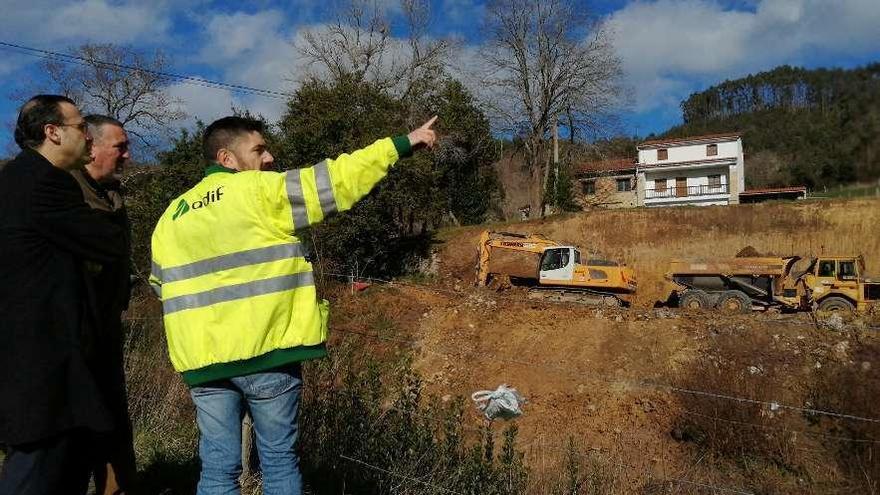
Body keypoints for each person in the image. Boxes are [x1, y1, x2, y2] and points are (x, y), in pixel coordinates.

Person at [149, 115, 437, 494]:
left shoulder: (170, 217)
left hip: (204, 365)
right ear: (227, 158)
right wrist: (402, 143)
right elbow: (338, 178)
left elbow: (160, 286)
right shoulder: (258, 191)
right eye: (259, 149)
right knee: (279, 463)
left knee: (217, 469)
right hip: (268, 354)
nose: (269, 158)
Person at [0, 95, 127, 494]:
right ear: (52, 133)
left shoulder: (13, 179)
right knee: (38, 474)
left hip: (35, 362)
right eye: (79, 128)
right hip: (44, 365)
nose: (87, 138)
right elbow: (108, 243)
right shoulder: (44, 184)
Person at [69, 115, 137, 495]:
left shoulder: (114, 199)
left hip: (107, 328)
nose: (127, 155)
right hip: (74, 332)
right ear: (90, 148)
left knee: (113, 425)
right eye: (119, 147)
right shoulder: (64, 195)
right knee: (78, 429)